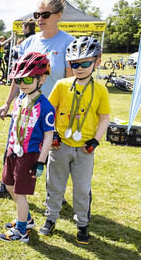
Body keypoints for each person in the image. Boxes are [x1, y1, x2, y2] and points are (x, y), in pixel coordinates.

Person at [0, 0, 74, 199]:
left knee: (51, 154)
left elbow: (70, 83)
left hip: (51, 111)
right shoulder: (28, 43)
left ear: (58, 15)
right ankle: (6, 186)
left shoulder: (68, 43)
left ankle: (54, 197)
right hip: (24, 108)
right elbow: (18, 78)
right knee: (14, 145)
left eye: (45, 14)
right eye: (37, 14)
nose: (40, 19)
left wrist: (65, 113)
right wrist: (7, 102)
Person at [39, 36, 110, 244]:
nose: (80, 68)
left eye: (85, 63)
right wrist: (53, 135)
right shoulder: (61, 85)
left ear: (96, 62)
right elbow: (49, 112)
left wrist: (95, 141)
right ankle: (50, 219)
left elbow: (104, 118)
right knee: (55, 186)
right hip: (59, 146)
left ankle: (82, 224)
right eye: (75, 64)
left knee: (81, 189)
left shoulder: (100, 90)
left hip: (85, 150)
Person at [0, 52, 55, 242]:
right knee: (8, 184)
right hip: (13, 151)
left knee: (20, 193)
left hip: (29, 155)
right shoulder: (19, 99)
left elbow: (48, 136)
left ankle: (21, 231)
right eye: (19, 79)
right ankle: (27, 219)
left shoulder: (46, 107)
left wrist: (40, 161)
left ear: (42, 79)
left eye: (28, 78)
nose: (22, 83)